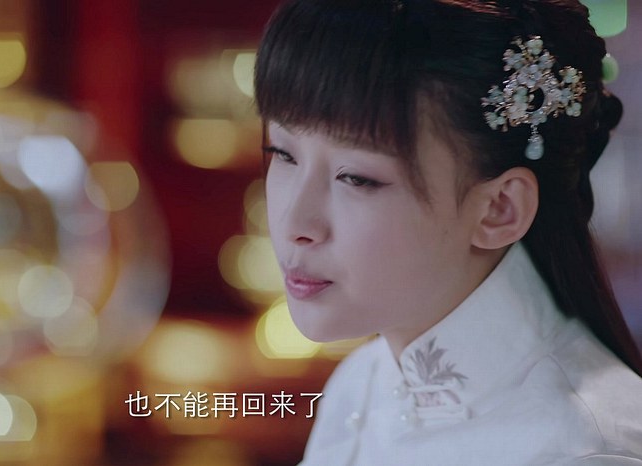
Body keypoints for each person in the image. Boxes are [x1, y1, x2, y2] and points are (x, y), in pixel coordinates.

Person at [254, 0, 642, 464]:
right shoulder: (361, 383)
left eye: (357, 178)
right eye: (283, 154)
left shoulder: (582, 451)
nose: (295, 224)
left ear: (498, 209)